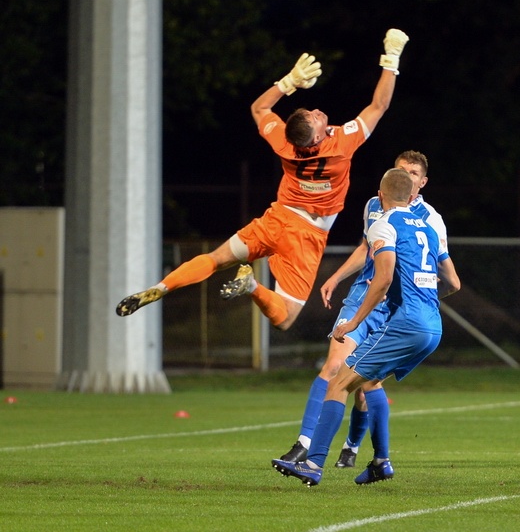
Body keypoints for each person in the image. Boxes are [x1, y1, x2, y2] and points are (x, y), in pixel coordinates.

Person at [115, 29, 410, 331]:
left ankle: (162, 287)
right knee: (285, 318)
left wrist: (289, 82)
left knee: (215, 258)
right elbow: (379, 105)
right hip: (306, 234)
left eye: (311, 112)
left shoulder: (284, 143)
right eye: (315, 118)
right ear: (317, 138)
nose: (318, 112)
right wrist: (392, 58)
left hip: (276, 219)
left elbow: (259, 108)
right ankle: (252, 286)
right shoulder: (342, 144)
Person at [273, 168, 460, 486]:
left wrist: (354, 322)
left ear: (381, 194)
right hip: (433, 326)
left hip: (408, 325)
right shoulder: (428, 227)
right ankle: (380, 462)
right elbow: (450, 282)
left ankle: (313, 463)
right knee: (370, 384)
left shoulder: (384, 224)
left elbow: (383, 278)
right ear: (411, 194)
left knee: (338, 383)